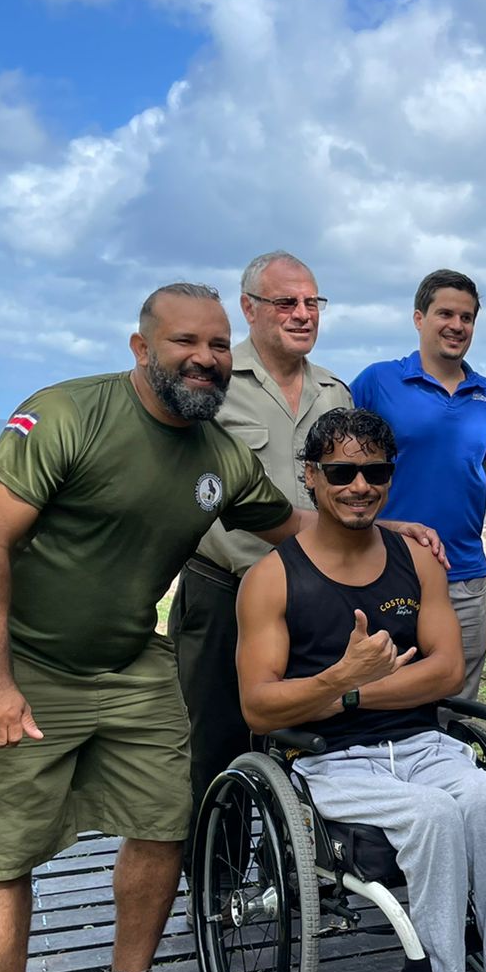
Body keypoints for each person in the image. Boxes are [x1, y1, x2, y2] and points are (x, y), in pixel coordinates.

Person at [0, 284, 306, 972]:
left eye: (217, 345)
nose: (206, 358)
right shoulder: (66, 414)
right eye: (186, 342)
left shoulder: (221, 456)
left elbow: (296, 531)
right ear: (142, 347)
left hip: (130, 662)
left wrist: (393, 535)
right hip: (23, 662)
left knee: (163, 820)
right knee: (3, 853)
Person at [235, 408, 486, 972]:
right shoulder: (271, 579)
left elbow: (444, 672)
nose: (360, 485)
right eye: (342, 471)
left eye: (375, 471)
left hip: (423, 744)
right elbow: (260, 707)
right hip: (332, 761)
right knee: (434, 816)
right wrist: (342, 678)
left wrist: (347, 692)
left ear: (390, 477)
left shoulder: (416, 560)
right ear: (311, 477)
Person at [170, 251, 353, 875]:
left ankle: (296, 880)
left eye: (311, 302)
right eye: (285, 302)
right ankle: (216, 892)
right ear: (249, 308)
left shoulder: (335, 392)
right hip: (224, 590)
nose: (302, 314)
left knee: (310, 738)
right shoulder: (213, 383)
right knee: (216, 747)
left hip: (312, 595)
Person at [351, 270, 486, 699]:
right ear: (419, 318)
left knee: (459, 696)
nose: (457, 325)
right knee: (384, 692)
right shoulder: (377, 381)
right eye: (445, 314)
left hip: (464, 571)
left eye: (467, 317)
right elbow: (335, 460)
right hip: (385, 568)